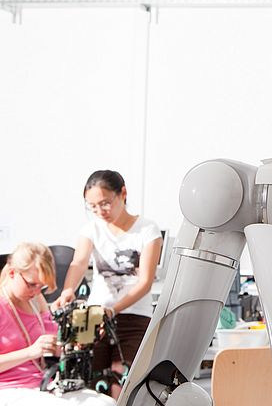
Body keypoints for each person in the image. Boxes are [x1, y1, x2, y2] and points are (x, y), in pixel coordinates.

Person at [53, 170, 162, 398]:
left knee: (122, 382)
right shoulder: (91, 229)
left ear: (122, 193)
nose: (99, 211)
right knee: (85, 377)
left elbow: (145, 282)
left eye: (105, 203)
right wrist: (68, 290)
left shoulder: (147, 230)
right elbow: (79, 262)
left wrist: (114, 309)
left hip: (133, 316)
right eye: (91, 206)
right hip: (94, 315)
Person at [0, 243, 114, 405]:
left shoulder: (34, 299)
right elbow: (34, 351)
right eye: (31, 284)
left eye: (42, 286)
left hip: (42, 383)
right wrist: (31, 352)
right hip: (9, 388)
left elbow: (55, 344)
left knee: (106, 403)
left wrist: (79, 342)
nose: (36, 291)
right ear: (12, 273)